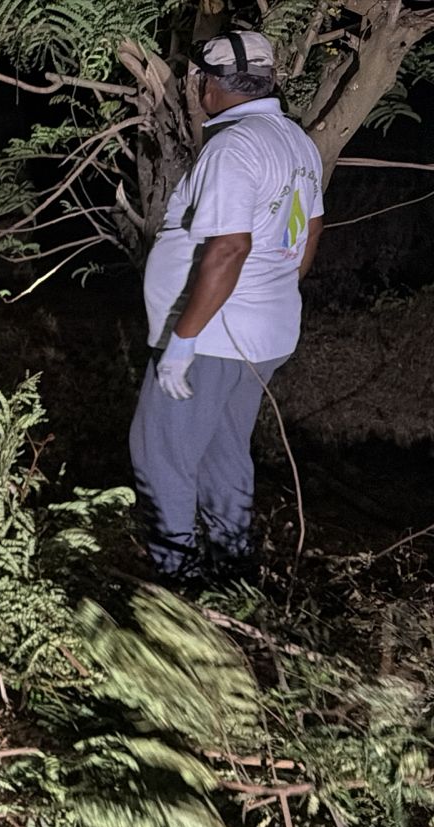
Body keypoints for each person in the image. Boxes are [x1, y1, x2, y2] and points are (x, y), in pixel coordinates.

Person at [129, 31, 325, 582]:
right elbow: (310, 231)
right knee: (223, 450)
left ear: (209, 86)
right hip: (263, 336)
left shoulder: (234, 146)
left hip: (213, 336)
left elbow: (229, 248)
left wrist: (183, 342)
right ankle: (234, 567)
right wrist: (270, 289)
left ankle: (178, 578)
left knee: (159, 454)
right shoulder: (296, 141)